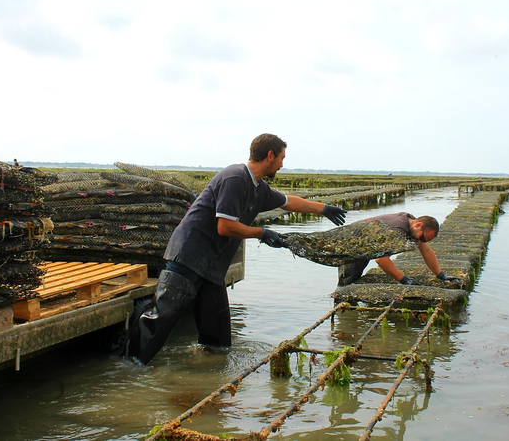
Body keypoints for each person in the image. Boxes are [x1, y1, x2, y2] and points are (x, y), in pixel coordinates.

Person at [124, 133, 347, 365]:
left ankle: (209, 375)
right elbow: (225, 226)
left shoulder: (258, 188)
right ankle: (128, 369)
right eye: (281, 158)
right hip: (189, 257)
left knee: (218, 337)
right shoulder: (235, 178)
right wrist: (262, 233)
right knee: (160, 320)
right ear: (270, 156)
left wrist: (324, 209)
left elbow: (288, 201)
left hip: (212, 266)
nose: (282, 164)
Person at [337, 212, 461, 286]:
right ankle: (343, 320)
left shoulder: (411, 222)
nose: (420, 241)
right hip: (351, 243)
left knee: (354, 278)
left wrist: (441, 276)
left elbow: (426, 250)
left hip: (366, 245)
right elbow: (381, 260)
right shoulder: (397, 230)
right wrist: (405, 280)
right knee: (347, 281)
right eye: (422, 238)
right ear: (419, 225)